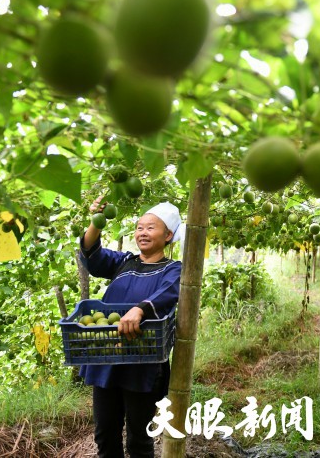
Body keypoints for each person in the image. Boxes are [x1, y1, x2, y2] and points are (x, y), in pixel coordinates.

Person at [79, 196, 186, 458]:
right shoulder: (123, 262)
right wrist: (96, 221)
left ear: (168, 235)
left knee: (139, 439)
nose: (142, 233)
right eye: (139, 227)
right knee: (105, 434)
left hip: (143, 363)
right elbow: (92, 256)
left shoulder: (173, 269)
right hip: (108, 358)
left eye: (151, 227)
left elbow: (170, 292)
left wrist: (139, 309)